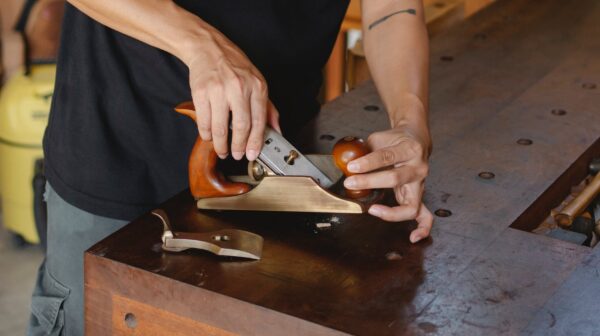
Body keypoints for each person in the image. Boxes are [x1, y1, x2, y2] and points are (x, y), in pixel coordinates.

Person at [28, 0, 433, 335]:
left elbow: (392, 8)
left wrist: (409, 121)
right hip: (120, 151)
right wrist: (204, 46)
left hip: (278, 164)